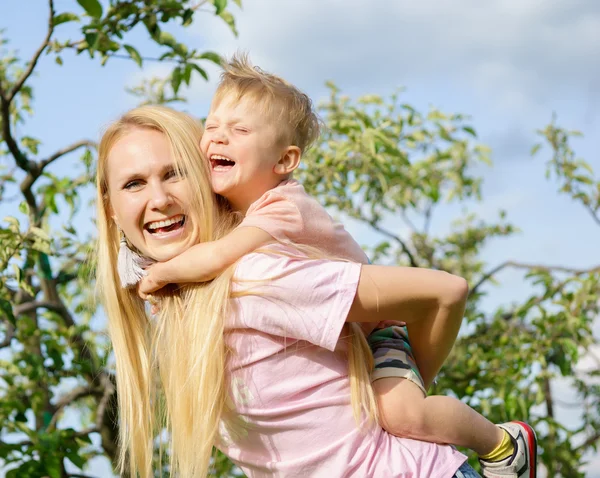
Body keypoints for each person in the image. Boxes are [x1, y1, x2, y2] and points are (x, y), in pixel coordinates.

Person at [136, 55, 538, 478]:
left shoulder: (282, 207)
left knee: (401, 414)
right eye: (212, 126)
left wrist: (160, 273)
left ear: (284, 161)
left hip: (380, 332)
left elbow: (215, 259)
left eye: (238, 131)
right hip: (349, 343)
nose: (217, 139)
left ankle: (503, 445)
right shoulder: (235, 213)